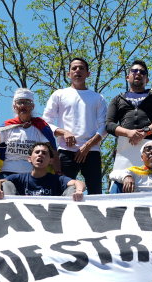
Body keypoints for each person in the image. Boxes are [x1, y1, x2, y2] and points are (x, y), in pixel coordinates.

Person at [43, 57, 107, 194]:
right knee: (62, 191)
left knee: (95, 193)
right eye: (74, 68)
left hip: (92, 151)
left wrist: (88, 145)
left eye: (81, 68)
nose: (78, 71)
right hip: (66, 150)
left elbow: (104, 127)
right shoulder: (59, 94)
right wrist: (64, 132)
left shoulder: (98, 98)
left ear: (88, 74)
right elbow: (46, 122)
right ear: (68, 74)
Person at [0, 88, 59, 179]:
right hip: (7, 174)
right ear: (15, 106)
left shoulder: (40, 127)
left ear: (32, 106)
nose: (23, 105)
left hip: (33, 176)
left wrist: (58, 173)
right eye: (19, 102)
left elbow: (52, 152)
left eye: (27, 102)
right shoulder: (7, 127)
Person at [0, 142, 84, 200]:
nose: (40, 155)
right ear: (30, 159)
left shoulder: (57, 179)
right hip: (22, 217)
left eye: (44, 153)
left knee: (73, 188)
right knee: (6, 184)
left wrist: (79, 191)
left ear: (51, 161)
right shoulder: (21, 178)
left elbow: (79, 182)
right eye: (37, 152)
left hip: (52, 217)